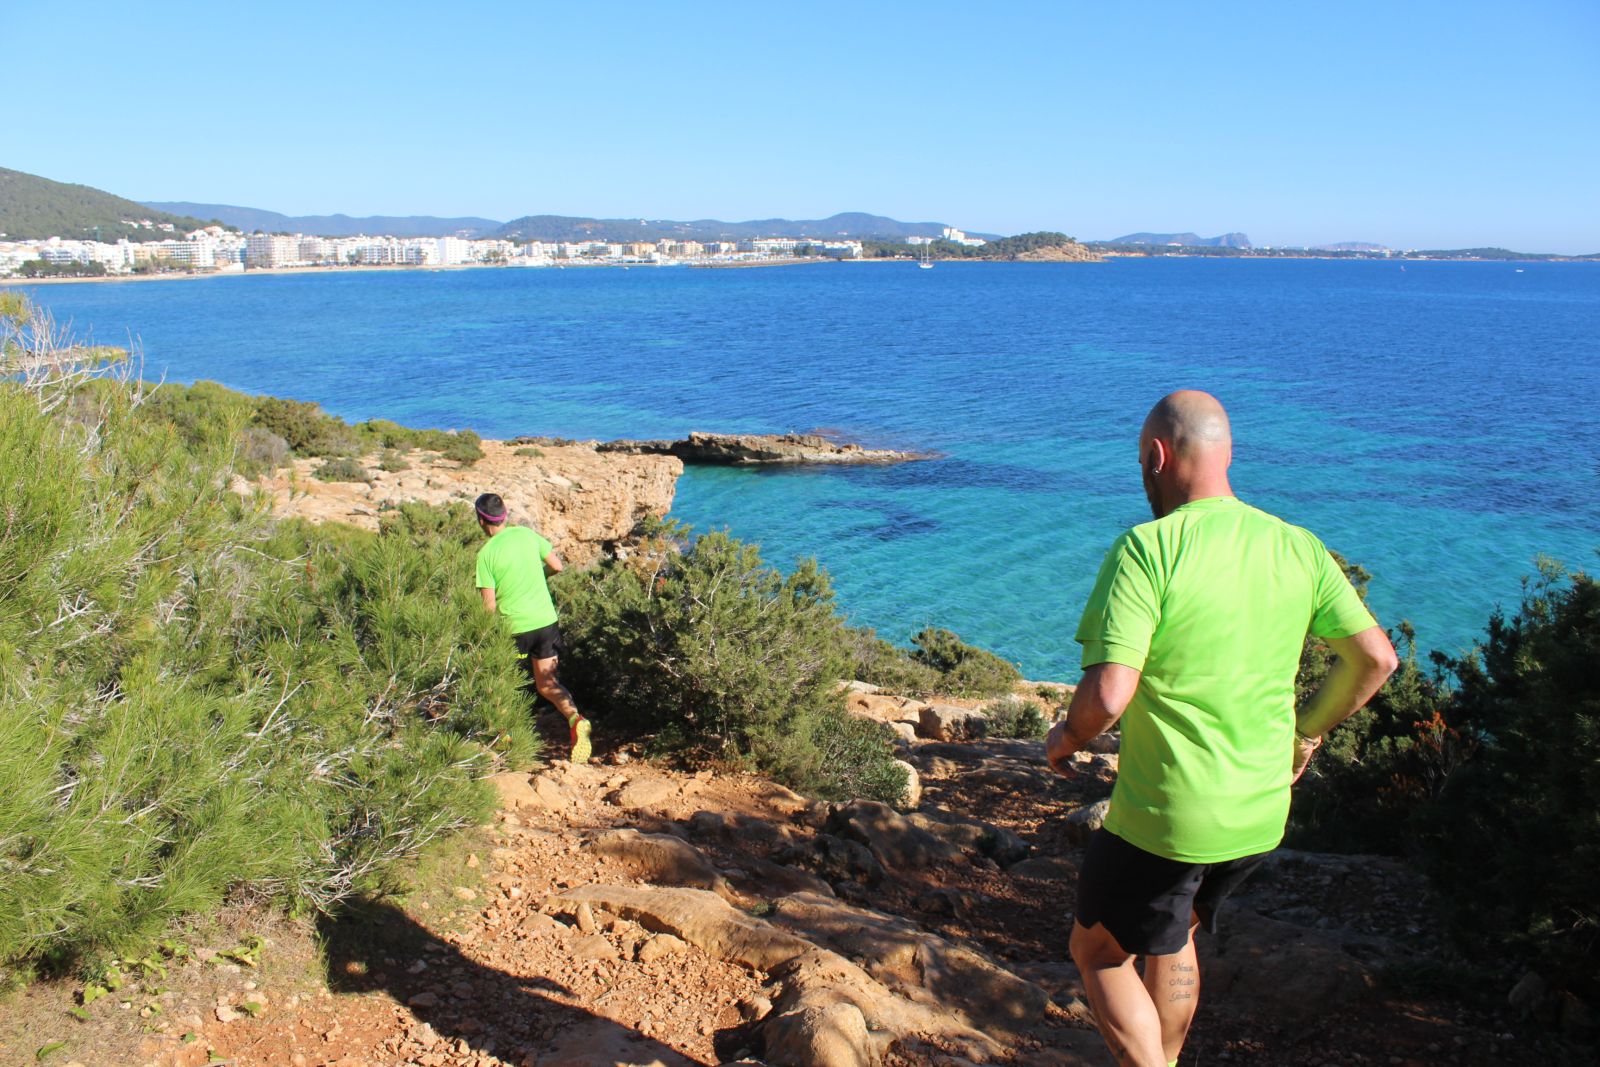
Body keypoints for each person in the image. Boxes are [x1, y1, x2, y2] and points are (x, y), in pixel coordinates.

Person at [1045, 391, 1397, 1067]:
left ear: (1156, 456)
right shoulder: (1299, 545)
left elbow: (1109, 692)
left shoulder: (1147, 549)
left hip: (1168, 816)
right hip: (1260, 814)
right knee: (1173, 934)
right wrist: (1307, 731)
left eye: (1141, 462)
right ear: (1228, 455)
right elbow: (1376, 657)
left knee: (1095, 949)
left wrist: (1064, 739)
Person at [473, 492, 592, 764]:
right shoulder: (526, 535)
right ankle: (576, 720)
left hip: (514, 629)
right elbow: (557, 566)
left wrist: (482, 638)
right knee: (548, 684)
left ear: (481, 520)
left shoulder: (486, 555)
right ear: (504, 515)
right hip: (545, 622)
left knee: (502, 685)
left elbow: (488, 607)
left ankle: (507, 742)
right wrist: (540, 576)